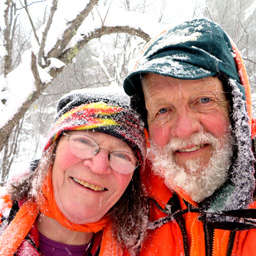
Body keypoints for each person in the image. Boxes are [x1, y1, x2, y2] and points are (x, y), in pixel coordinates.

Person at [123, 18, 256, 255]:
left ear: (235, 109)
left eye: (204, 100)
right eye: (163, 110)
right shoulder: (126, 202)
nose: (184, 130)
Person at [0, 87, 147, 256]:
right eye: (84, 141)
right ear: (51, 151)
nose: (99, 167)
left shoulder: (148, 248)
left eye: (122, 156)